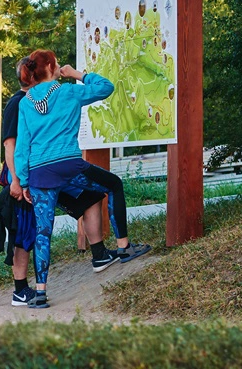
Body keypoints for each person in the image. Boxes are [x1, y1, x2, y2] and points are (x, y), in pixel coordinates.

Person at [14, 49, 151, 309]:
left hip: (39, 174)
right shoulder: (68, 91)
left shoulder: (25, 103)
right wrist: (77, 74)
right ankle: (123, 246)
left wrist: (23, 182)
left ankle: (40, 293)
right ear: (51, 66)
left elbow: (22, 147)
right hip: (69, 166)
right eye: (56, 64)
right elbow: (105, 87)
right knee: (114, 185)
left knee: (43, 232)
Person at [0, 58, 113, 308]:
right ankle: (20, 289)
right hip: (27, 178)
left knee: (89, 199)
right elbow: (11, 145)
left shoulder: (45, 97)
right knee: (26, 230)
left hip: (44, 174)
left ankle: (99, 254)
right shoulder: (19, 103)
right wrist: (17, 181)